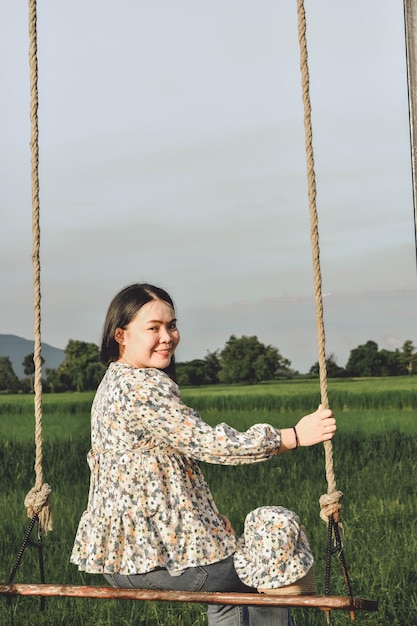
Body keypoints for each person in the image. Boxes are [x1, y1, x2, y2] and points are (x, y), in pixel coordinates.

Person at [70, 283, 336, 626]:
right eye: (153, 328)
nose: (167, 337)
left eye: (171, 325)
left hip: (125, 558)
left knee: (237, 587)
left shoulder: (116, 380)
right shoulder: (141, 386)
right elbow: (209, 444)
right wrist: (293, 436)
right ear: (120, 335)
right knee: (266, 566)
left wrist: (207, 526)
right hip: (153, 562)